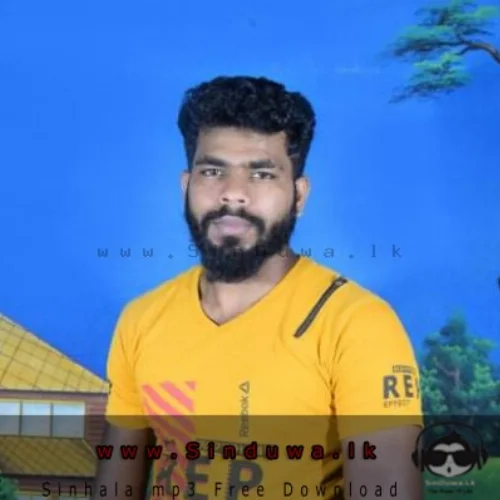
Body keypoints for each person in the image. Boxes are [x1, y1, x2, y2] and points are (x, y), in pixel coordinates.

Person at [93, 76, 423, 500]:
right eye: (213, 171)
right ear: (186, 186)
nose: (233, 194)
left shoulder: (357, 325)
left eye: (262, 174)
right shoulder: (141, 319)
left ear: (299, 196)